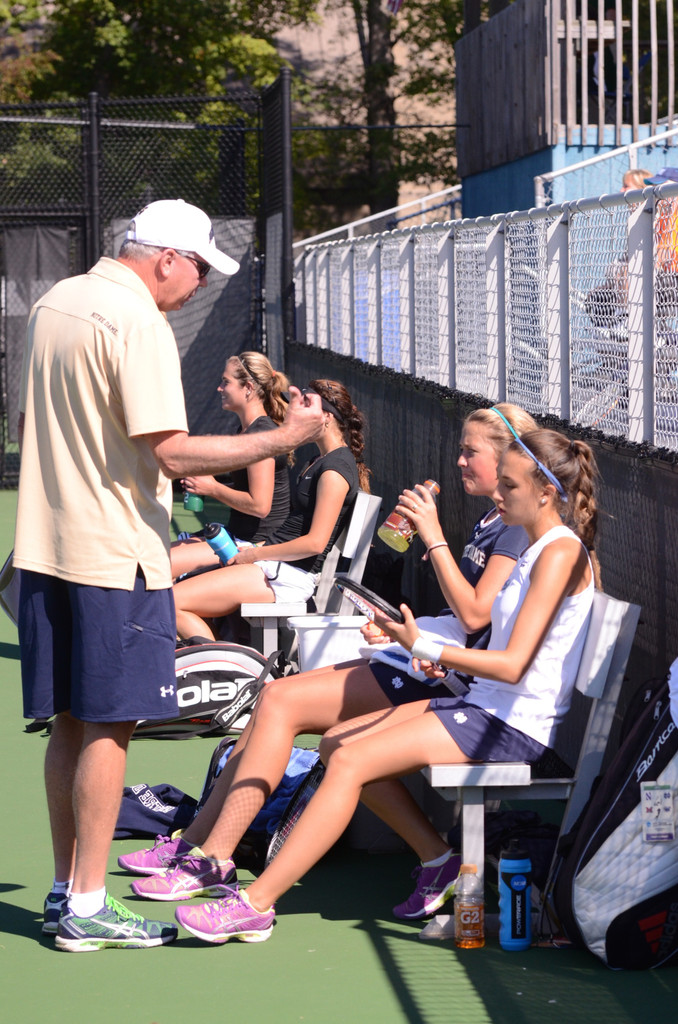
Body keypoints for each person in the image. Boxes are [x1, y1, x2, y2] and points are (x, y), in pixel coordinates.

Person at [15, 197, 324, 953]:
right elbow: (174, 452)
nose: (195, 288)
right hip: (112, 555)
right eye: (196, 271)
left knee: (70, 723)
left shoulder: (55, 301)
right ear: (166, 259)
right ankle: (87, 905)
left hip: (46, 547)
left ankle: (68, 891)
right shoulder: (139, 322)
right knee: (109, 727)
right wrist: (285, 436)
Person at [171, 427, 600, 944]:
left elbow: (513, 667)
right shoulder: (536, 548)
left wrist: (427, 648)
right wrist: (427, 651)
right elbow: (499, 649)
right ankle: (440, 860)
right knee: (337, 743)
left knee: (351, 761)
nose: (500, 494)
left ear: (545, 492)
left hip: (511, 727)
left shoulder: (558, 553)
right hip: (484, 704)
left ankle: (256, 904)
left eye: (509, 486)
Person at [122, 403, 537, 917]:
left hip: (457, 683)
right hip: (434, 660)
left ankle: (214, 856)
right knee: (280, 701)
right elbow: (476, 620)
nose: (459, 461)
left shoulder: (519, 529)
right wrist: (406, 631)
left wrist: (432, 542)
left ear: (507, 457)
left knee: (284, 706)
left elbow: (476, 619)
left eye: (470, 451)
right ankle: (200, 845)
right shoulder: (497, 519)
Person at [171, 378, 371, 641]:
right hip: (273, 564)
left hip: (286, 576)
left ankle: (221, 670)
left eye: (305, 408)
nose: (294, 416)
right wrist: (254, 550)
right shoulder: (318, 461)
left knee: (170, 604)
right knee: (172, 595)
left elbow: (314, 543)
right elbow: (295, 529)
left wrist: (255, 553)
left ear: (326, 417)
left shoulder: (334, 470)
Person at [171, 352, 292, 580]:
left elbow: (259, 506)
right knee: (158, 559)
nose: (219, 388)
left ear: (247, 387)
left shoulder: (261, 435)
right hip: (237, 535)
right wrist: (202, 482)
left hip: (255, 546)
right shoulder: (247, 431)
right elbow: (243, 483)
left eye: (226, 382)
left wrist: (212, 488)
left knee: (162, 567)